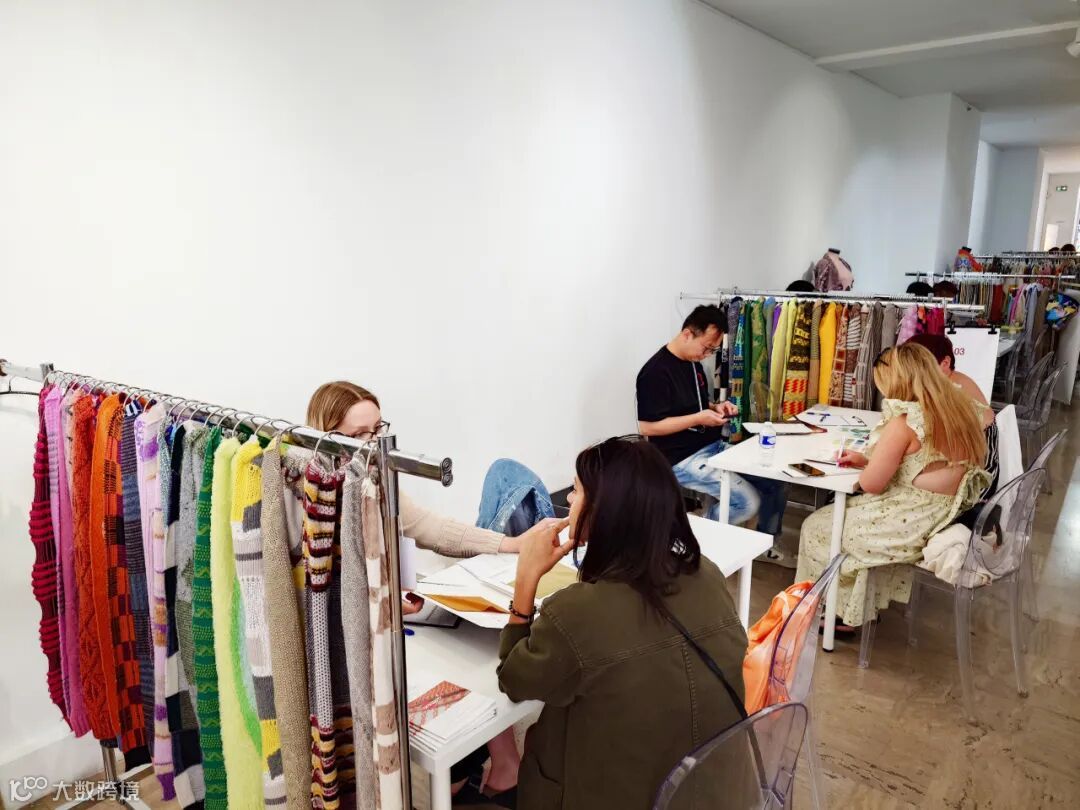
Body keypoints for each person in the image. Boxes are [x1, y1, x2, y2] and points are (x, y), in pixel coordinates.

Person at [307, 380, 551, 800]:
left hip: (394, 615)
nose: (375, 443)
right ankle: (483, 769)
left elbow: (432, 528)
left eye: (379, 429)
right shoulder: (320, 500)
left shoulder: (374, 482)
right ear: (328, 439)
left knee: (474, 659)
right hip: (354, 643)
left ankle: (490, 766)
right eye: (361, 435)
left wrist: (511, 544)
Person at [497, 436, 749, 809]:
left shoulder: (576, 613)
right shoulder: (706, 575)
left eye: (576, 490)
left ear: (604, 511)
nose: (569, 499)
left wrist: (525, 580)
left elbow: (514, 680)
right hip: (718, 792)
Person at [795, 343, 990, 629]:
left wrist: (871, 464)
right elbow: (924, 463)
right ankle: (853, 606)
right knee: (841, 519)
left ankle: (832, 611)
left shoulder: (905, 422)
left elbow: (871, 484)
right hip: (940, 512)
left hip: (910, 520)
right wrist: (870, 459)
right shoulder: (959, 407)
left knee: (818, 526)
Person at [635, 305, 789, 562]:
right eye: (706, 347)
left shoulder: (692, 363)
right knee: (747, 503)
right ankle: (697, 542)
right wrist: (699, 418)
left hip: (710, 446)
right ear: (687, 334)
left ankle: (765, 543)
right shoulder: (655, 372)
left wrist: (716, 407)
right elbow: (647, 427)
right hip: (678, 458)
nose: (707, 355)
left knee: (776, 481)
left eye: (713, 351)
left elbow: (691, 403)